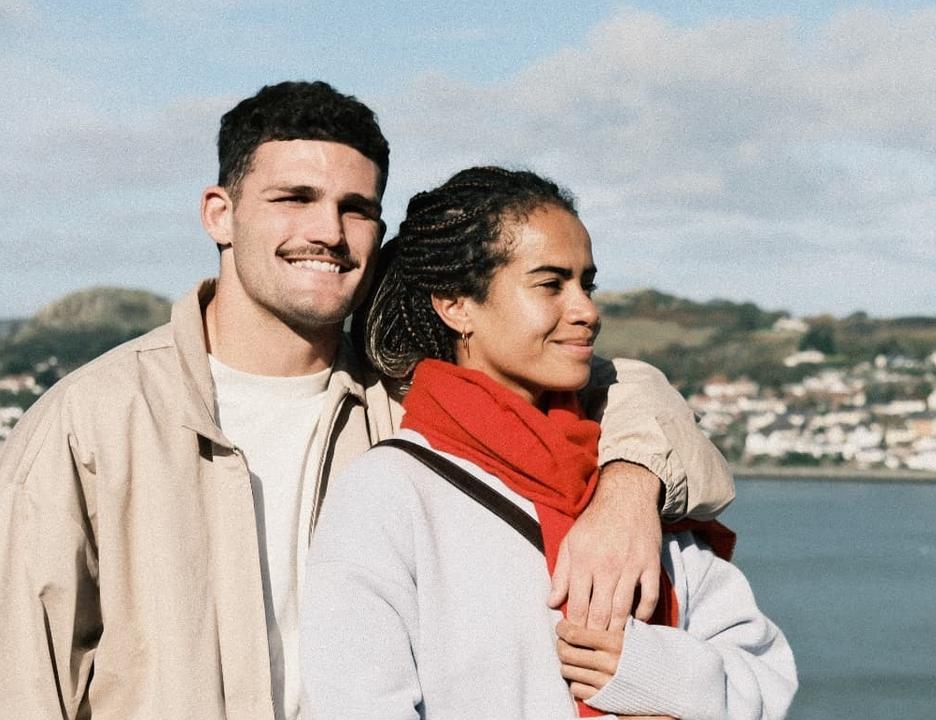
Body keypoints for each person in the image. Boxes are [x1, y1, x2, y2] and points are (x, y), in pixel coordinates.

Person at [0, 82, 736, 720]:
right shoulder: (88, 423)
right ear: (218, 213)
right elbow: (23, 681)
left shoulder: (415, 402)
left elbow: (624, 385)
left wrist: (628, 489)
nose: (327, 231)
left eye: (356, 208)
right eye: (294, 199)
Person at [301, 166, 796, 719]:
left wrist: (657, 673)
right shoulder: (390, 495)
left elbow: (765, 675)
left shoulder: (631, 482)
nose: (587, 310)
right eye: (550, 284)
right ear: (456, 304)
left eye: (587, 283)